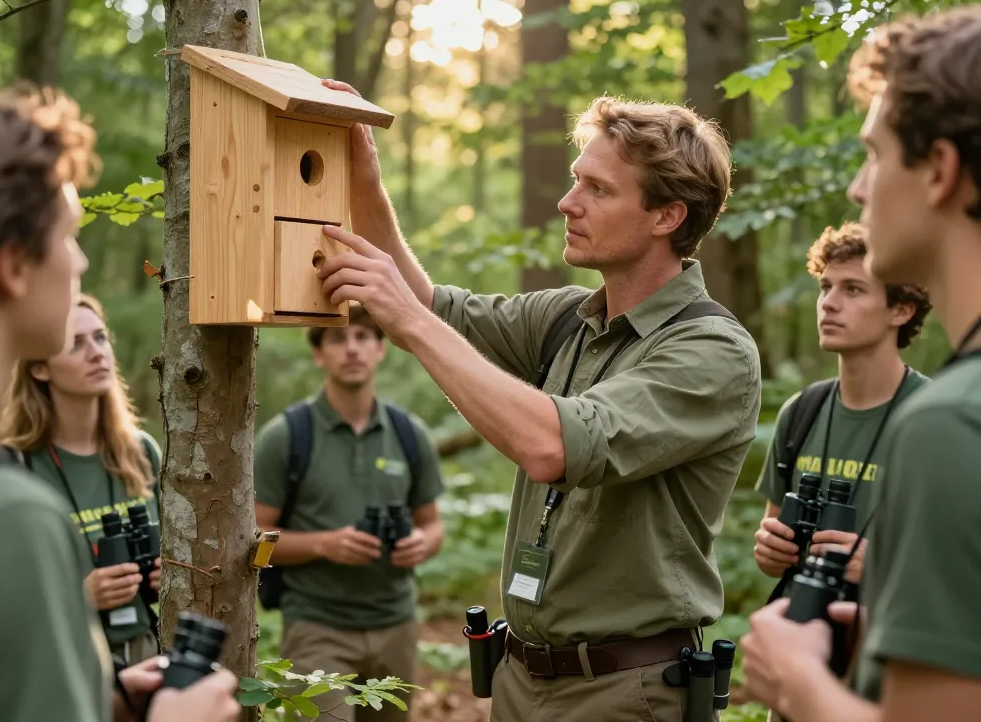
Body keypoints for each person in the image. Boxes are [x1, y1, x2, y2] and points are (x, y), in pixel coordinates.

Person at [313, 83, 762, 721]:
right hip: (519, 679)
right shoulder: (567, 320)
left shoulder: (712, 351)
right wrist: (365, 180)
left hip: (624, 691)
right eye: (576, 181)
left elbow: (551, 444)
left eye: (598, 190)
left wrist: (406, 321)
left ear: (667, 217)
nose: (566, 203)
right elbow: (430, 303)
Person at [0, 83, 239, 722]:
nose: (81, 259)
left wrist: (103, 700)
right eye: (68, 236)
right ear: (12, 266)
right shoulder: (5, 518)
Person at [741, 5, 981, 722]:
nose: (856, 187)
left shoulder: (950, 421)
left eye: (873, 155)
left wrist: (797, 677)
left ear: (938, 170)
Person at [253, 305, 445, 722]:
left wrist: (420, 544)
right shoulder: (286, 437)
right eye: (338, 339)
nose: (352, 349)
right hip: (316, 627)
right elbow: (254, 537)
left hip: (397, 624)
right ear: (319, 354)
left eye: (362, 337)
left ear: (381, 348)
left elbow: (432, 526)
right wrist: (324, 544)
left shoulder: (410, 435)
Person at [753, 221, 930, 588]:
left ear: (901, 311)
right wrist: (771, 551)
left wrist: (883, 568)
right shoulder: (802, 411)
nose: (829, 304)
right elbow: (774, 556)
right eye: (825, 287)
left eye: (853, 289)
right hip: (803, 633)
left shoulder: (934, 419)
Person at [0, 292, 164, 667]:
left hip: (148, 652)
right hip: (65, 661)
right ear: (39, 368)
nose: (96, 352)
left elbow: (183, 550)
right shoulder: (14, 465)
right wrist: (79, 596)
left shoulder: (141, 451)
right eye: (75, 343)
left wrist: (169, 575)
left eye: (101, 338)